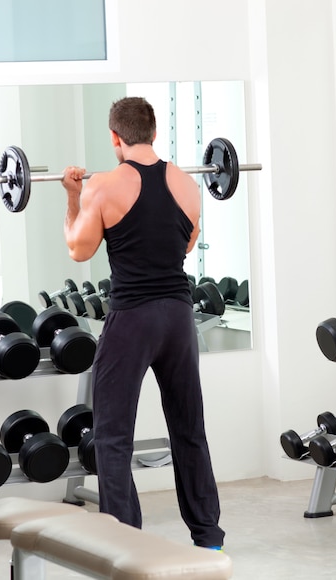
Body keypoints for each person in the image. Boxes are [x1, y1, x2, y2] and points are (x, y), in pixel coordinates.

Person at [61, 96, 225, 549]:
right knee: (189, 429)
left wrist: (73, 199)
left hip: (132, 317)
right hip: (178, 318)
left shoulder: (104, 186)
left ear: (116, 137)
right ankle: (208, 537)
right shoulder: (189, 185)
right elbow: (186, 244)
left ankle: (126, 543)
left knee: (113, 437)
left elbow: (79, 249)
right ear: (153, 132)